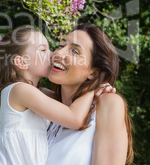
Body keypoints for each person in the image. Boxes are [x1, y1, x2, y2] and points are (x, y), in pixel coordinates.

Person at [0, 27, 113, 165]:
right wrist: (92, 85)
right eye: (43, 50)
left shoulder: (37, 92)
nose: (53, 54)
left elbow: (69, 104)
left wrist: (95, 83)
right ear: (22, 62)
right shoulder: (19, 90)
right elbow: (74, 118)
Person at [46, 23, 133, 165]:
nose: (59, 53)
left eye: (74, 51)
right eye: (62, 45)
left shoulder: (107, 103)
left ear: (94, 72)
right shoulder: (46, 109)